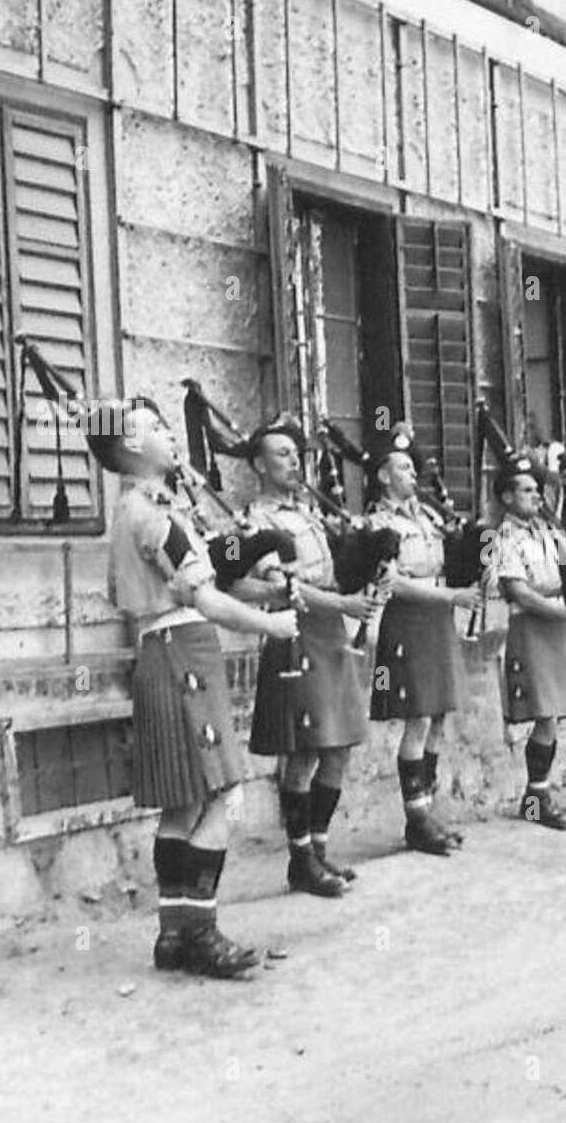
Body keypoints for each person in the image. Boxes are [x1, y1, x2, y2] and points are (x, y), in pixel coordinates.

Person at [84, 397, 298, 978]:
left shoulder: (132, 512)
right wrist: (272, 624)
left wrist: (267, 591)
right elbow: (202, 599)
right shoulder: (155, 515)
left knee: (180, 804)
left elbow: (201, 585)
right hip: (185, 656)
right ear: (130, 448)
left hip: (158, 651)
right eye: (154, 428)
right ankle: (202, 933)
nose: (169, 434)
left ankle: (173, 935)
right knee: (217, 796)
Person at [235, 416, 379, 897]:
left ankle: (318, 847)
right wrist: (343, 604)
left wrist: (361, 548)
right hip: (294, 630)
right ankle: (299, 860)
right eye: (281, 454)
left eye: (296, 454)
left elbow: (335, 571)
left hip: (331, 629)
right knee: (303, 751)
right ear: (257, 464)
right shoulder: (255, 520)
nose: (293, 461)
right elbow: (283, 587)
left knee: (339, 744)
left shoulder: (311, 512)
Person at [367, 426, 482, 855]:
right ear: (382, 476)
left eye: (413, 466)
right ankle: (415, 819)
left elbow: (450, 562)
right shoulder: (379, 523)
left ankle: (427, 811)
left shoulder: (428, 517)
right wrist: (452, 595)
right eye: (402, 466)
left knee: (438, 717)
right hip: (408, 621)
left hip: (438, 620)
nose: (412, 473)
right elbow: (392, 582)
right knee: (416, 718)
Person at [489, 455, 566, 828]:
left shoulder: (546, 531)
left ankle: (538, 796)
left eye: (538, 490)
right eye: (526, 490)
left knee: (552, 718)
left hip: (555, 627)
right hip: (532, 628)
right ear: (506, 497)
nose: (536, 496)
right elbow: (518, 592)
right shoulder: (502, 538)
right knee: (544, 716)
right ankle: (536, 801)